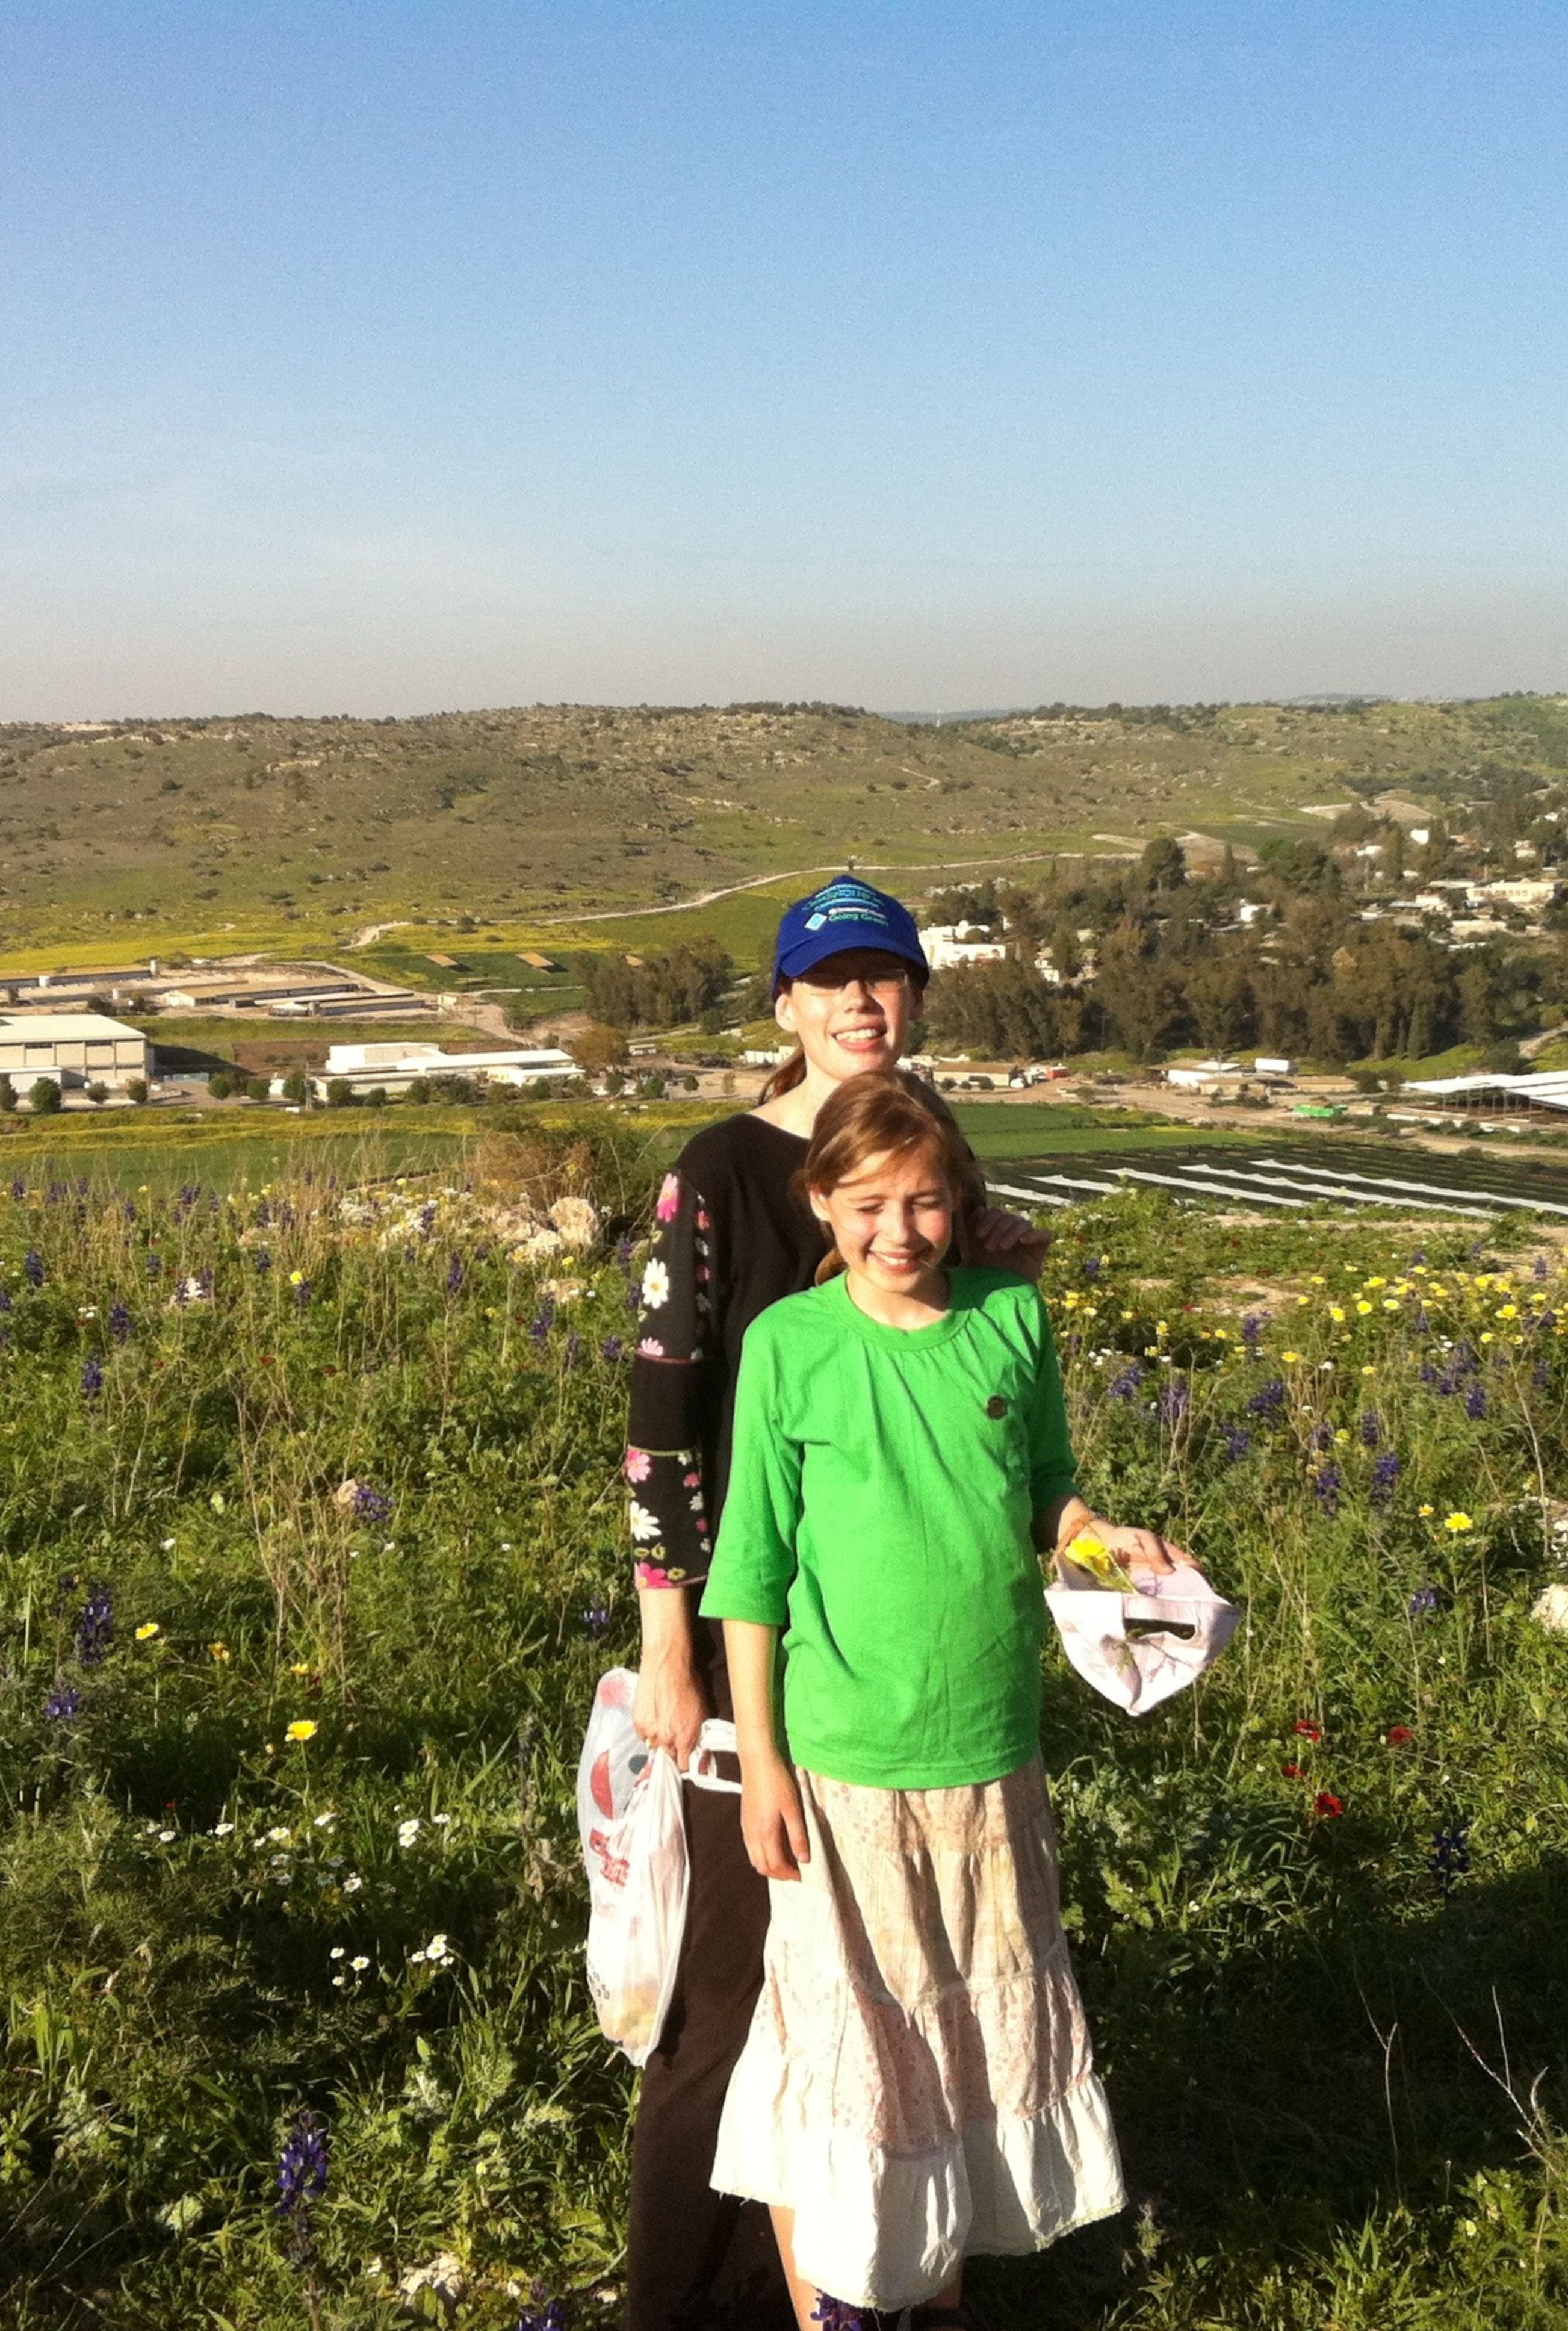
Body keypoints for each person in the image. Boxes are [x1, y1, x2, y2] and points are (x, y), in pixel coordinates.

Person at [701, 1070, 1195, 2324]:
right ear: (821, 1199)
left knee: (959, 2052)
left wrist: (1111, 1548)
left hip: (989, 1744)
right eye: (869, 1203)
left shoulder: (1010, 1318)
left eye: (926, 1202)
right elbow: (750, 1568)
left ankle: (934, 2296)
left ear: (961, 1203)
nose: (900, 1230)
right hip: (841, 1760)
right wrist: (761, 1764)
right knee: (842, 2052)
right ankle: (831, 2312)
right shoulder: (790, 1344)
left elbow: (1049, 1494)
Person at [621, 876, 1044, 2331]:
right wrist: (667, 1639)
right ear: (787, 1006)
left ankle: (873, 2281)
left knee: (890, 1991)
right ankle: (690, 2300)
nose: (862, 1001)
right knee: (729, 1992)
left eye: (887, 975)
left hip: (897, 1659)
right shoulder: (720, 1167)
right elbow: (663, 1413)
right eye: (832, 979)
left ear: (914, 995)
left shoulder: (927, 1151)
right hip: (752, 1643)